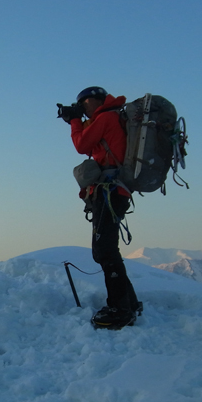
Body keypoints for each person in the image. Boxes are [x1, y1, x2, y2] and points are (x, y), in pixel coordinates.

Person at [59, 86, 141, 329]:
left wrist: (74, 120)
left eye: (84, 103)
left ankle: (120, 309)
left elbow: (82, 145)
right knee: (107, 249)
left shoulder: (106, 117)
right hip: (114, 191)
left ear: (96, 100)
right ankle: (130, 303)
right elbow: (92, 140)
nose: (83, 108)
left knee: (104, 251)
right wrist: (75, 120)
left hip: (110, 191)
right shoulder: (111, 118)